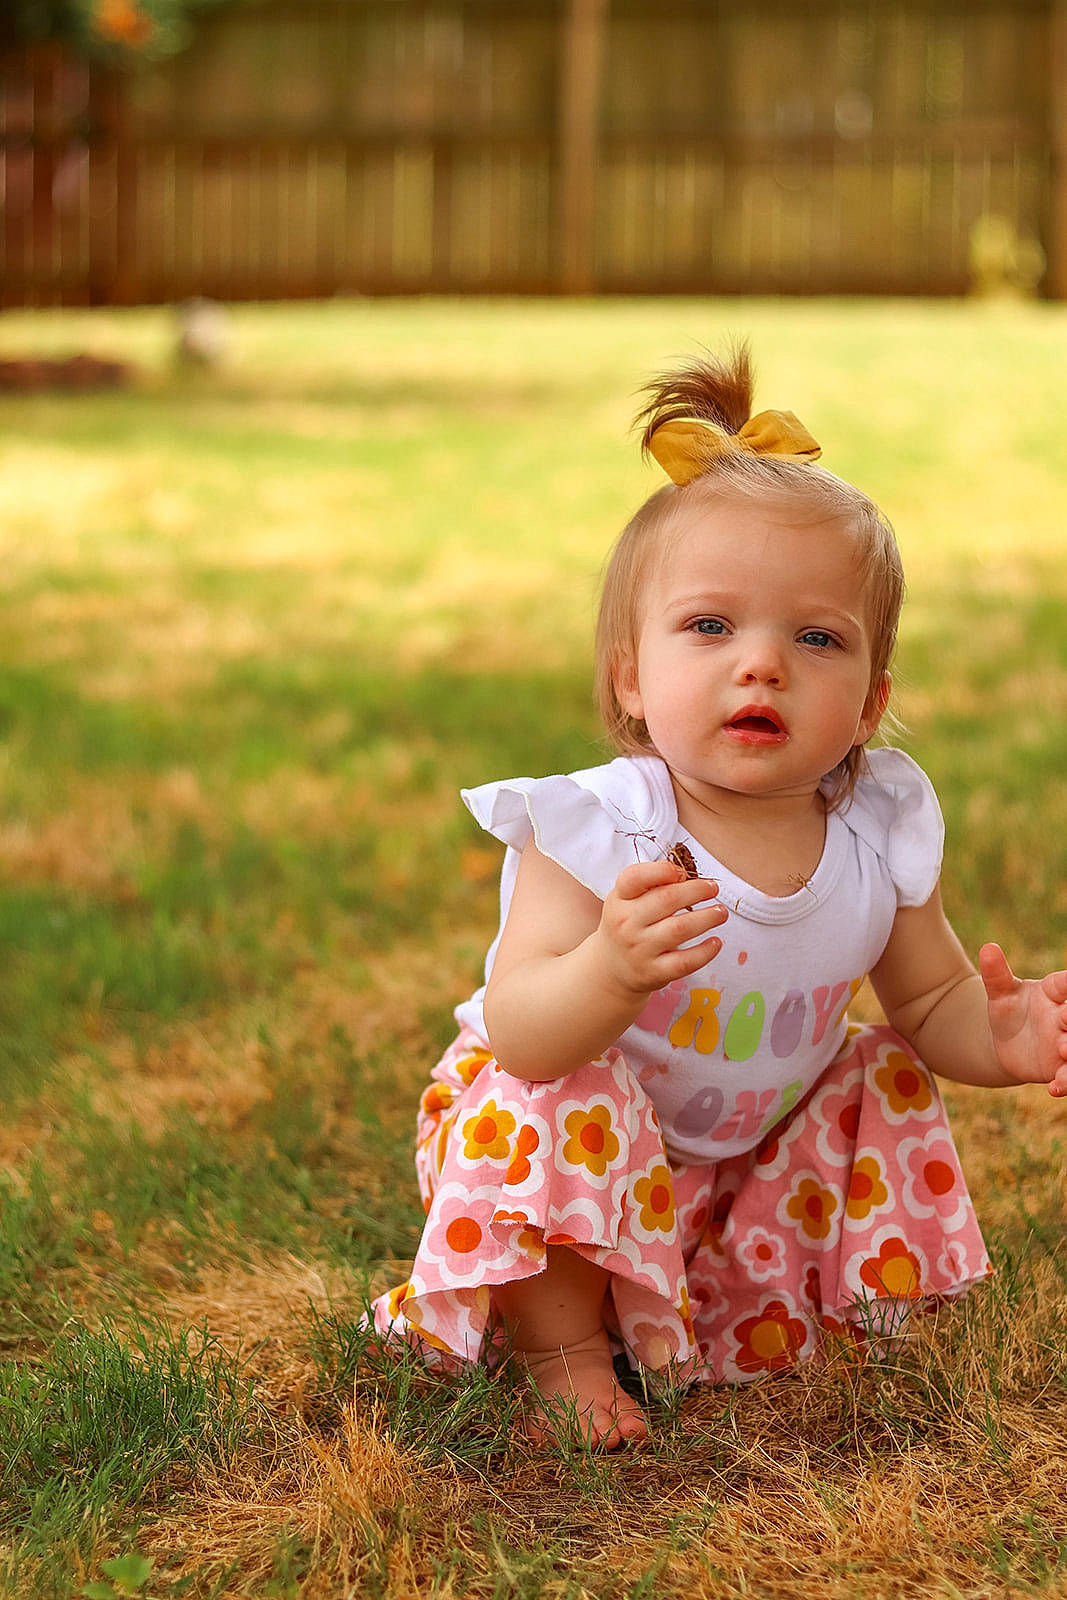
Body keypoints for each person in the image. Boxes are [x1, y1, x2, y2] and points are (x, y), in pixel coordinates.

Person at [370, 343, 1067, 1450]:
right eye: (709, 626)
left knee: (872, 1067)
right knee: (557, 1091)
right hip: (573, 1165)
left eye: (815, 637)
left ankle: (781, 1300)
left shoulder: (870, 831)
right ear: (629, 679)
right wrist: (606, 968)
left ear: (870, 699)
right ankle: (562, 1353)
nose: (762, 665)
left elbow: (929, 1006)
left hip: (738, 1166)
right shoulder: (601, 830)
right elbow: (521, 1034)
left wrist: (1009, 1032)